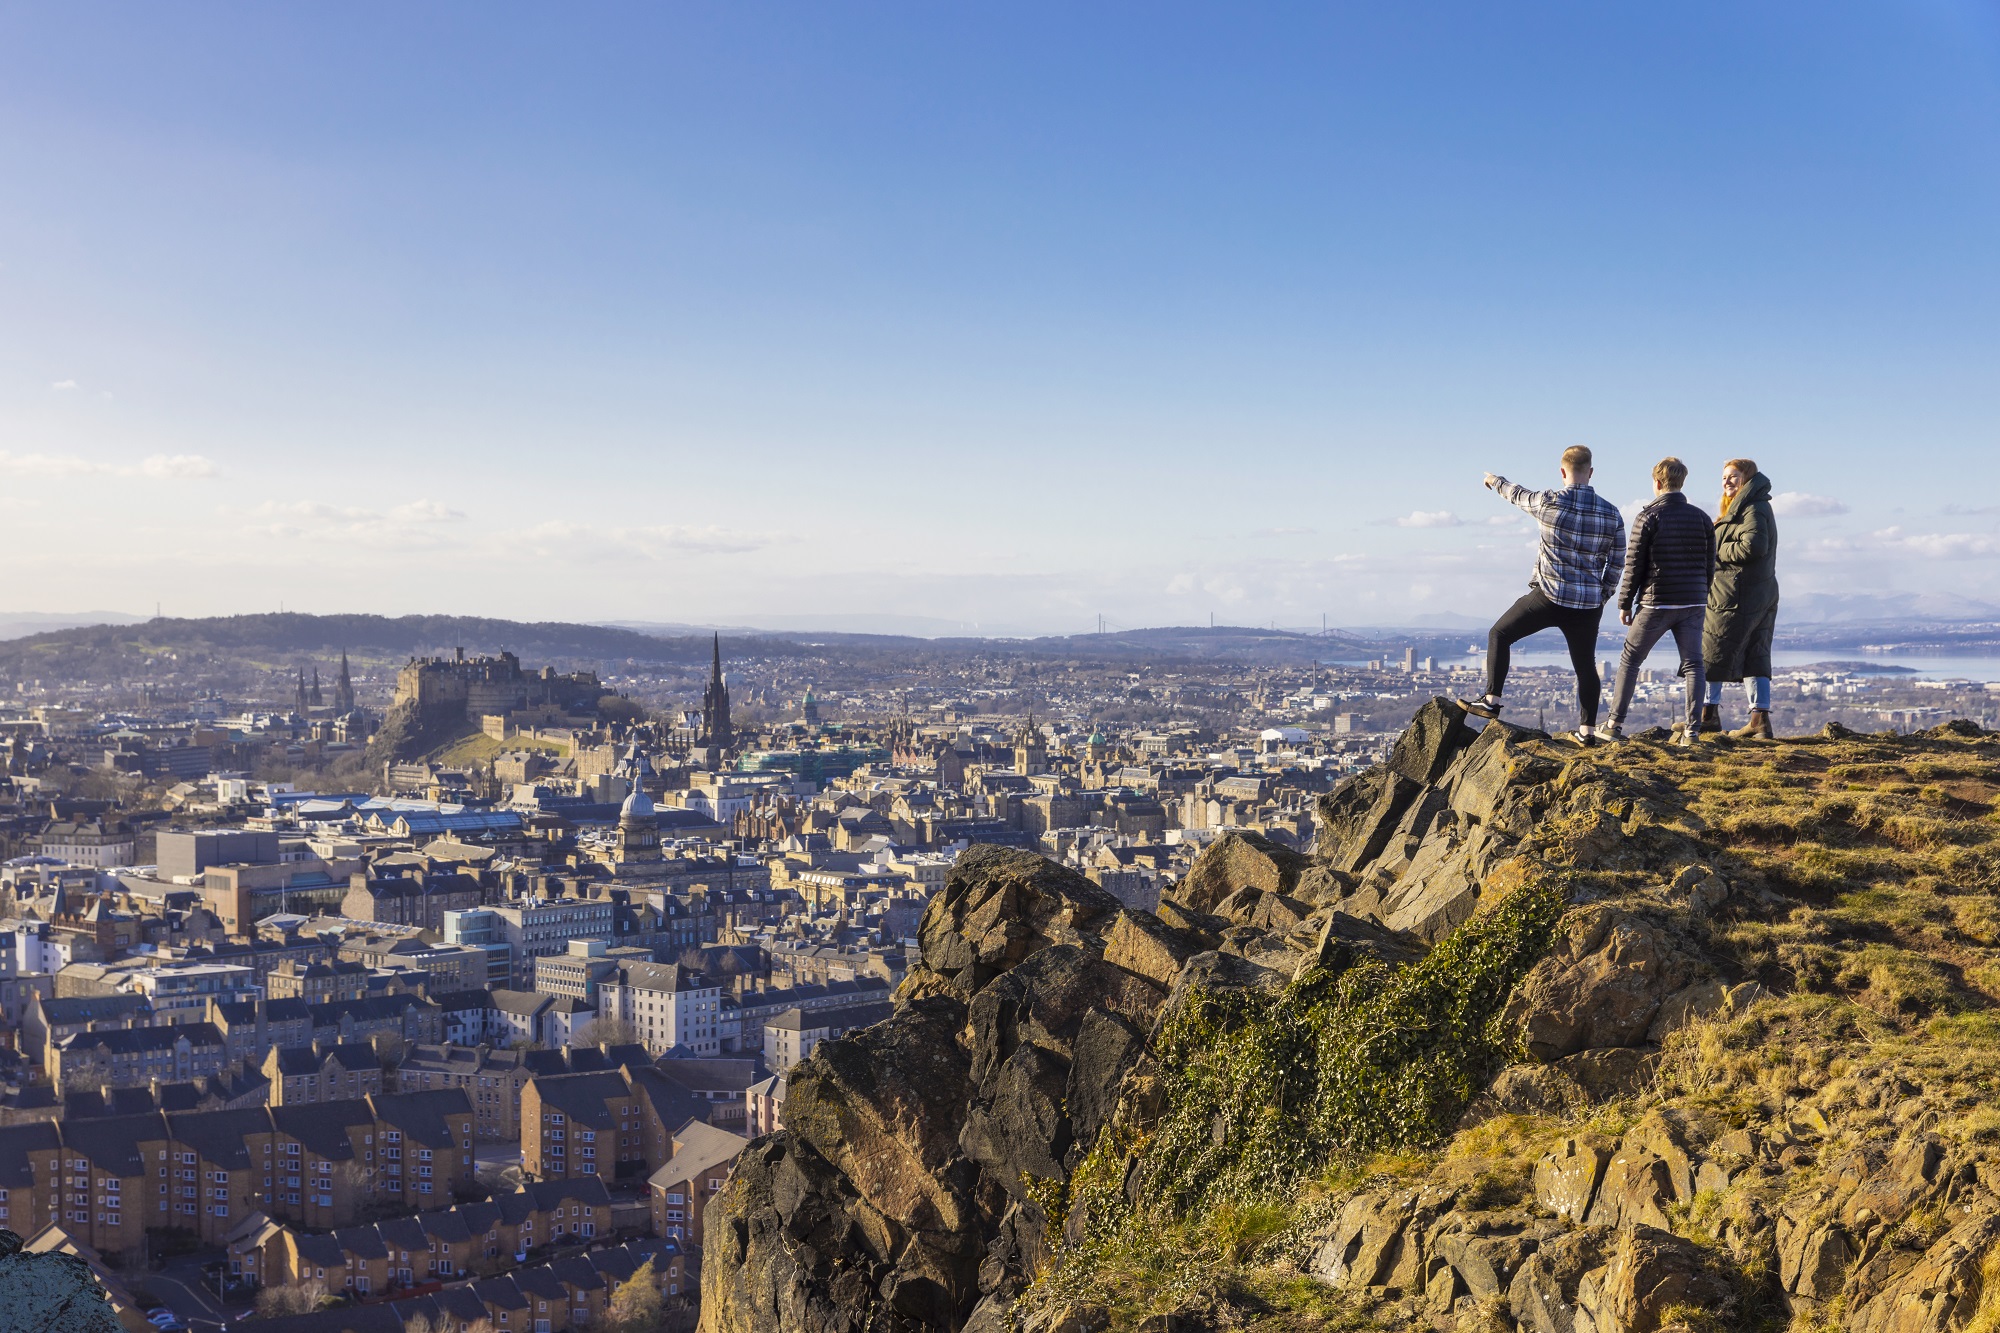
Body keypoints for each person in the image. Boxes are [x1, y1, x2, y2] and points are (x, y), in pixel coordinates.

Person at [1461, 445, 1627, 746]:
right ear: (1590, 473)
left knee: (1500, 633)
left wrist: (1494, 480)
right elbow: (1617, 562)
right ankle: (1587, 731)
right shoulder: (1611, 513)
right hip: (1587, 605)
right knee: (1585, 665)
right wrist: (1601, 595)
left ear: (1563, 472)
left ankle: (1491, 700)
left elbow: (1517, 494)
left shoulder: (1549, 501)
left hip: (1549, 596)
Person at [1602, 457, 1714, 744]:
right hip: (1693, 602)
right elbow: (1710, 564)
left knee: (1630, 660)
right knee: (1693, 665)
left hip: (1656, 602)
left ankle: (1614, 725)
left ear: (1657, 483)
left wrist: (1624, 603)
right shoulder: (1702, 518)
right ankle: (1691, 732)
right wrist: (1702, 593)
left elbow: (1634, 565)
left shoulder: (1648, 517)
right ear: (1682, 482)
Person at [1701, 458, 1780, 739]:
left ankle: (1707, 716)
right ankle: (1759, 721)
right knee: (1755, 654)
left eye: (1733, 476)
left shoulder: (1753, 508)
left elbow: (1754, 546)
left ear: (1747, 478)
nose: (1726, 481)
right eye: (1724, 477)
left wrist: (1715, 547)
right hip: (1756, 591)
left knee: (1711, 650)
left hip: (1735, 594)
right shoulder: (1748, 507)